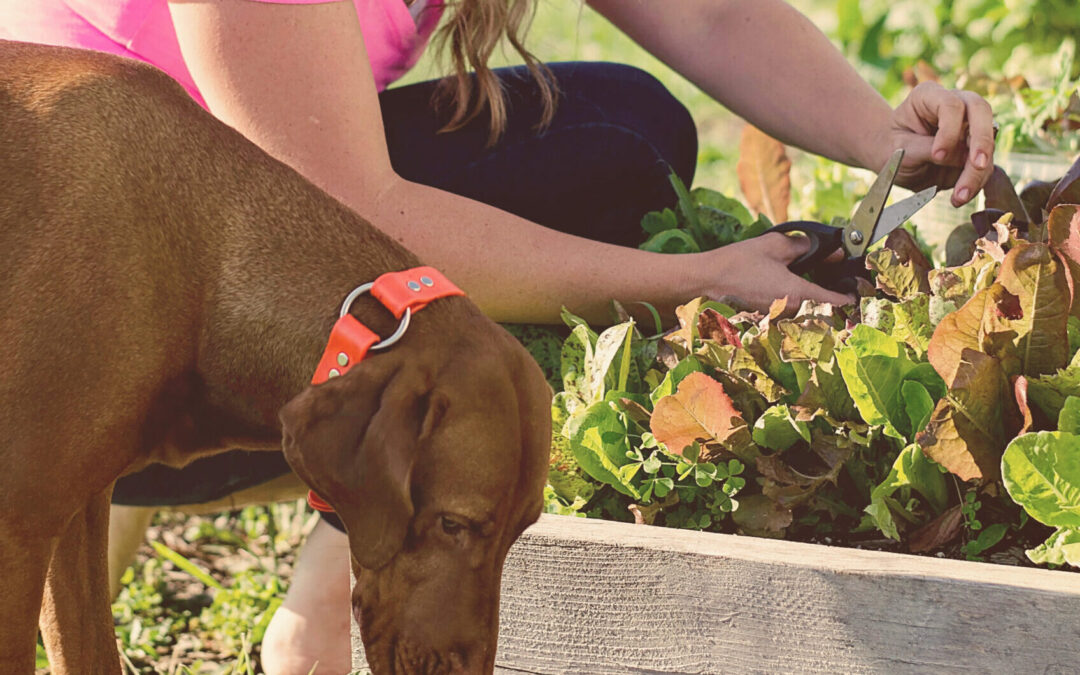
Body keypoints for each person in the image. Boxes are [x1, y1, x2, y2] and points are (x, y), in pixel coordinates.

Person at [0, 0, 997, 673]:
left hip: (192, 273)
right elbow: (351, 210)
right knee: (601, 162)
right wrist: (693, 280)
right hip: (90, 361)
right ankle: (327, 595)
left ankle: (335, 565)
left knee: (620, 134)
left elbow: (706, 12)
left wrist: (886, 137)